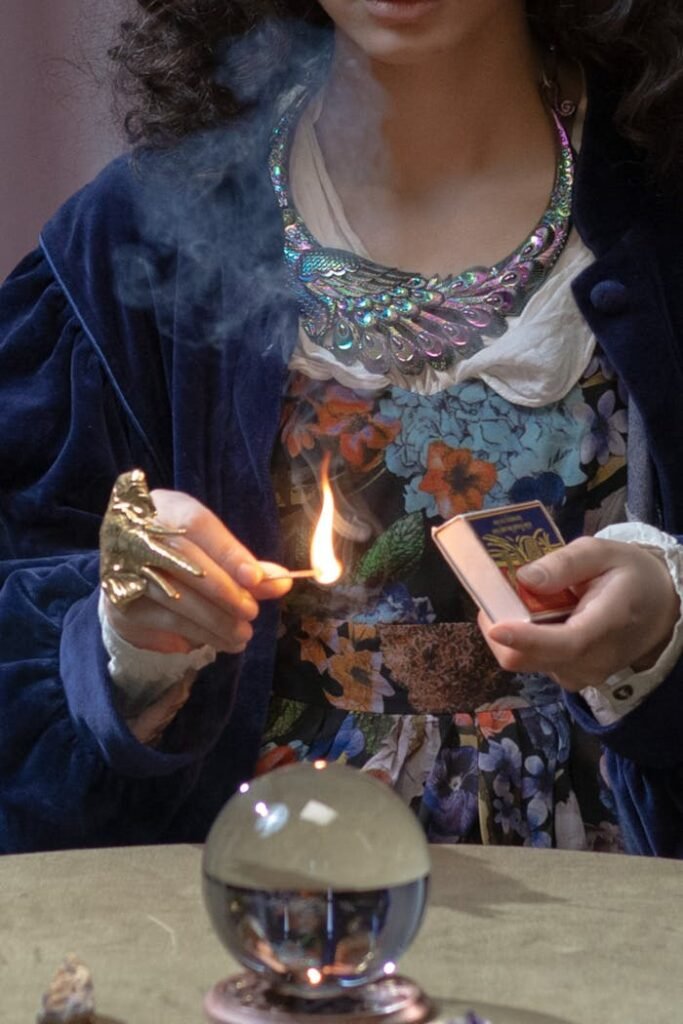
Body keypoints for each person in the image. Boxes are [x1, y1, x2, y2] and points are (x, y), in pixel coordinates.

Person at [1, 0, 682, 856]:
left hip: (609, 914)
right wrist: (123, 639)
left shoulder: (661, 210)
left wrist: (665, 621)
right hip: (255, 906)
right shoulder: (140, 238)